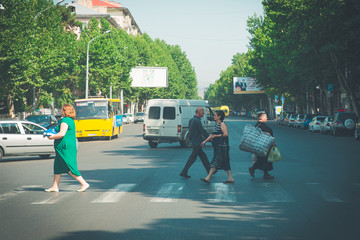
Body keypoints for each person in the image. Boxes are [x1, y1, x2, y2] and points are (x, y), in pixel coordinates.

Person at [45, 104, 90, 192]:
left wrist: (51, 136)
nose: (60, 111)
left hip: (65, 147)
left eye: (62, 109)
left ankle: (84, 183)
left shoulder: (65, 120)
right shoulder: (69, 120)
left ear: (65, 111)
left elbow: (62, 133)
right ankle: (55, 186)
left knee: (69, 166)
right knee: (57, 166)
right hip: (63, 147)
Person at [200, 110, 234, 184]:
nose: (214, 116)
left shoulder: (222, 124)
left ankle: (208, 178)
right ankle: (230, 178)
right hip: (218, 147)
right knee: (225, 162)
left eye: (215, 115)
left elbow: (226, 134)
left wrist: (216, 136)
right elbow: (212, 134)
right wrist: (205, 141)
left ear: (219, 117)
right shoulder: (217, 125)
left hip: (222, 147)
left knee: (215, 161)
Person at [179, 107, 211, 178]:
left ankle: (210, 170)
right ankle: (184, 171)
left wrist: (191, 140)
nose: (203, 113)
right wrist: (210, 138)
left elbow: (190, 131)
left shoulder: (191, 120)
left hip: (195, 141)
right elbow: (202, 131)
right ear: (198, 112)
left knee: (203, 157)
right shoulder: (197, 121)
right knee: (193, 158)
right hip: (197, 142)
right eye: (202, 111)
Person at [248, 112, 275, 179]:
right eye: (265, 117)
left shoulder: (258, 125)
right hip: (264, 145)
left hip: (261, 145)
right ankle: (254, 168)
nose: (266, 118)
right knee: (264, 160)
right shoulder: (261, 125)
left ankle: (264, 173)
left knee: (264, 160)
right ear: (261, 117)